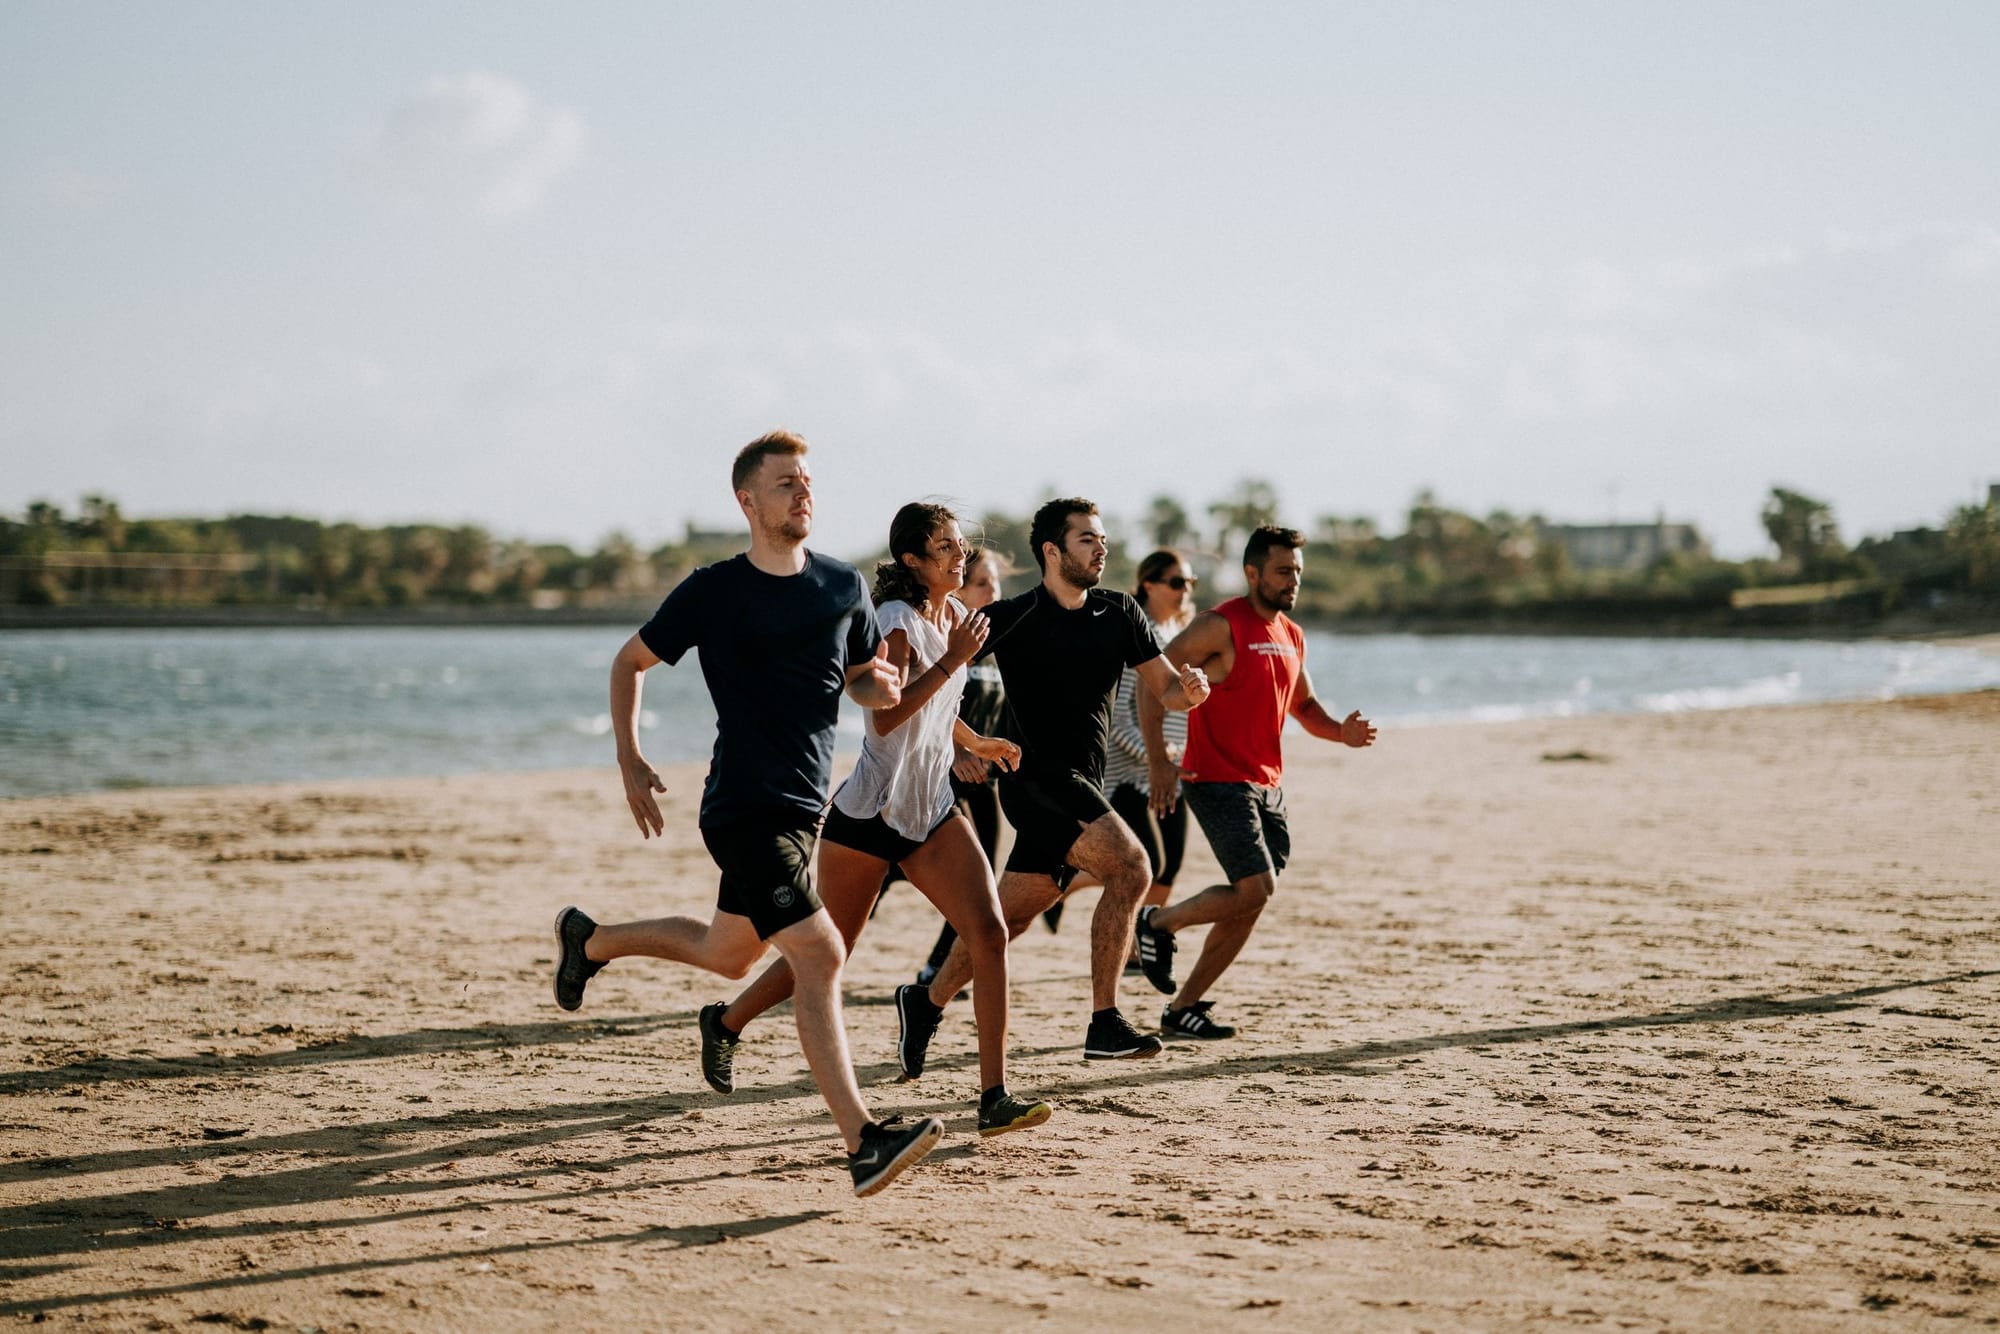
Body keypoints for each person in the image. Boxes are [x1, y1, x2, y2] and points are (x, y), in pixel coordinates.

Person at [549, 431, 944, 1197]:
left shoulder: (841, 586)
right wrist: (629, 757)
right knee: (822, 954)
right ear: (748, 501)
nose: (803, 494)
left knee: (727, 955)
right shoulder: (714, 589)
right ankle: (863, 1140)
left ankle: (589, 940)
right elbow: (629, 662)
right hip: (741, 808)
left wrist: (881, 689)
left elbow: (863, 677)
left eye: (807, 481)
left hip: (803, 809)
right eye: (786, 483)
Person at [697, 504, 1053, 1138]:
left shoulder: (953, 619)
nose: (959, 555)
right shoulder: (894, 622)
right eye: (944, 547)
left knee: (989, 933)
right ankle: (726, 1022)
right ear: (914, 562)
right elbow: (886, 717)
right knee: (829, 952)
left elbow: (935, 709)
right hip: (868, 814)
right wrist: (953, 662)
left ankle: (993, 1096)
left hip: (930, 809)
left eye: (959, 544)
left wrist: (975, 743)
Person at [896, 497, 1211, 1072]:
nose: (1101, 548)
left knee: (1008, 920)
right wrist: (959, 748)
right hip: (1035, 778)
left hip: (1081, 782)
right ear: (1052, 550)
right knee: (1132, 867)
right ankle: (1104, 1021)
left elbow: (1165, 688)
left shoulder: (1120, 612)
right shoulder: (1013, 615)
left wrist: (1189, 691)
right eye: (1087, 539)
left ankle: (925, 1000)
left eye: (1102, 539)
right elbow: (933, 681)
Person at [1133, 525, 1377, 1039]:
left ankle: (1183, 1009)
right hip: (1215, 778)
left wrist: (1342, 733)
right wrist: (1158, 760)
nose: (1293, 581)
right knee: (1255, 887)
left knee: (1252, 898)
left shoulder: (1291, 634)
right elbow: (1150, 682)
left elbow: (1304, 707)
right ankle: (1158, 923)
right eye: (1283, 571)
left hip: (1267, 785)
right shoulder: (1219, 625)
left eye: (1298, 573)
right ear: (1253, 573)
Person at [1102, 549, 1200, 976]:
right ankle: (1125, 945)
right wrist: (1155, 757)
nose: (1186, 591)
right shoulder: (1136, 637)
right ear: (1149, 585)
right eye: (1177, 582)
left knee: (1171, 864)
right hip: (1128, 775)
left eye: (1190, 584)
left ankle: (1140, 943)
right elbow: (1118, 716)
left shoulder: (1180, 636)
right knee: (1148, 864)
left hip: (1170, 773)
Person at [916, 546, 1010, 986]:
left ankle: (937, 962)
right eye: (982, 584)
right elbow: (924, 706)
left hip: (983, 783)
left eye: (996, 582)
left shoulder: (995, 646)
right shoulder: (947, 642)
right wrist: (957, 753)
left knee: (981, 879)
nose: (994, 592)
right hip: (944, 780)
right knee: (962, 880)